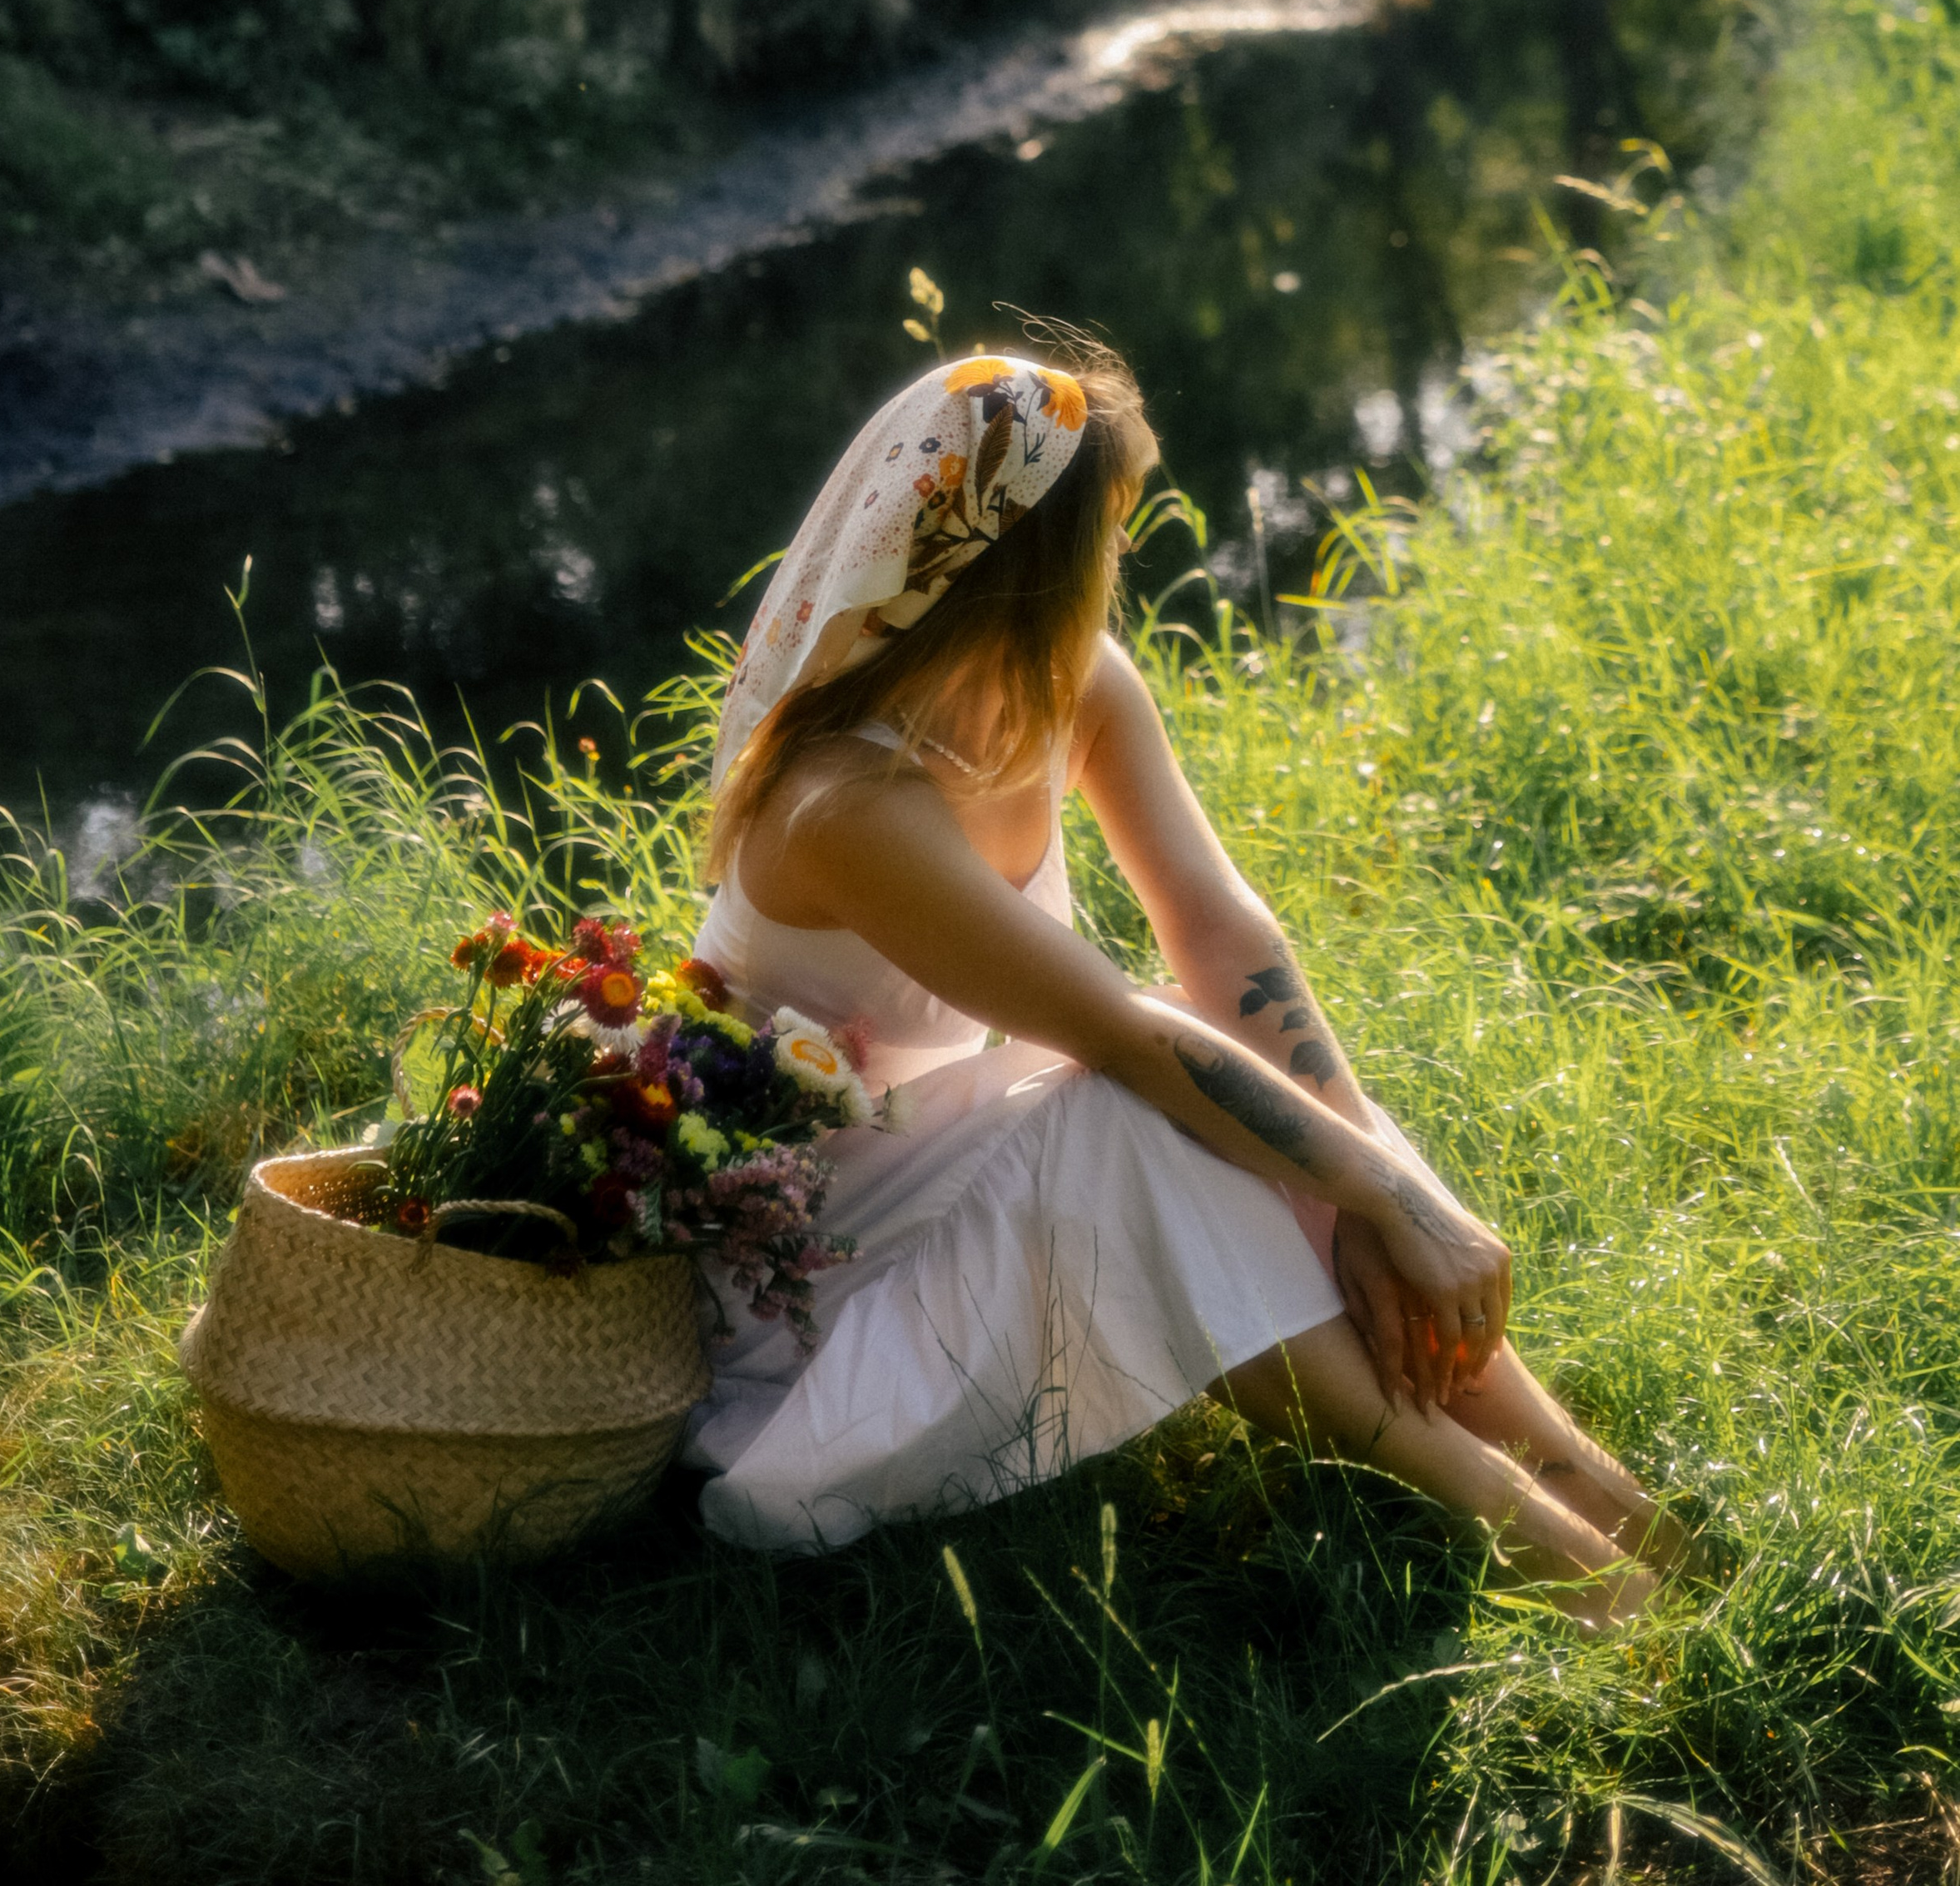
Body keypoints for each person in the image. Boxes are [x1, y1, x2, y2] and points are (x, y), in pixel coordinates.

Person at [683, 345, 1688, 1625]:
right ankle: (1539, 1540)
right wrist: (1383, 1192)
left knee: (1231, 1068)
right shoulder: (849, 801)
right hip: (805, 1299)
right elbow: (1124, 1034)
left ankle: (1585, 1477)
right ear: (1034, 568)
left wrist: (1385, 1196)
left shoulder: (1071, 687)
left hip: (935, 1176)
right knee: (1128, 1107)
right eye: (1110, 531)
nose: (1123, 558)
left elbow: (1223, 941)